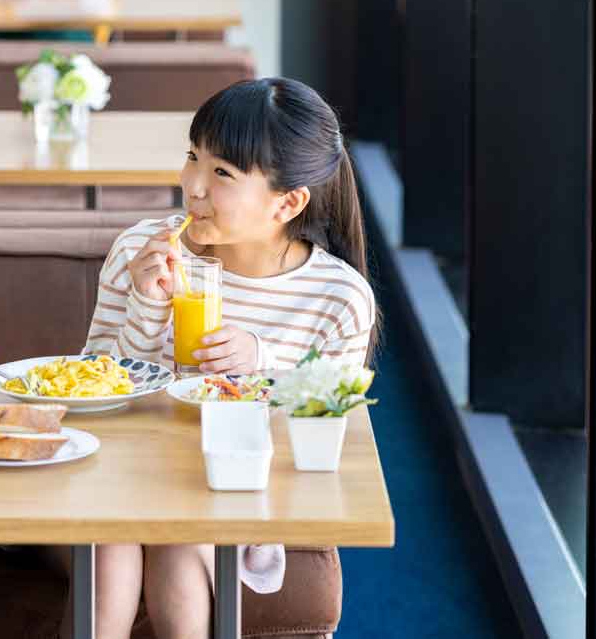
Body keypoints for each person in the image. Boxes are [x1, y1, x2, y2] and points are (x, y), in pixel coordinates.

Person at [70, 77, 378, 638]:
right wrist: (146, 307)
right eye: (193, 157)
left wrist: (261, 365)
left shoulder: (338, 299)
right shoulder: (141, 251)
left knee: (180, 536)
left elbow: (330, 439)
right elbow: (92, 393)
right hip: (123, 473)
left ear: (288, 202)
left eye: (222, 174)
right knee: (111, 541)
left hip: (233, 487)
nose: (192, 185)